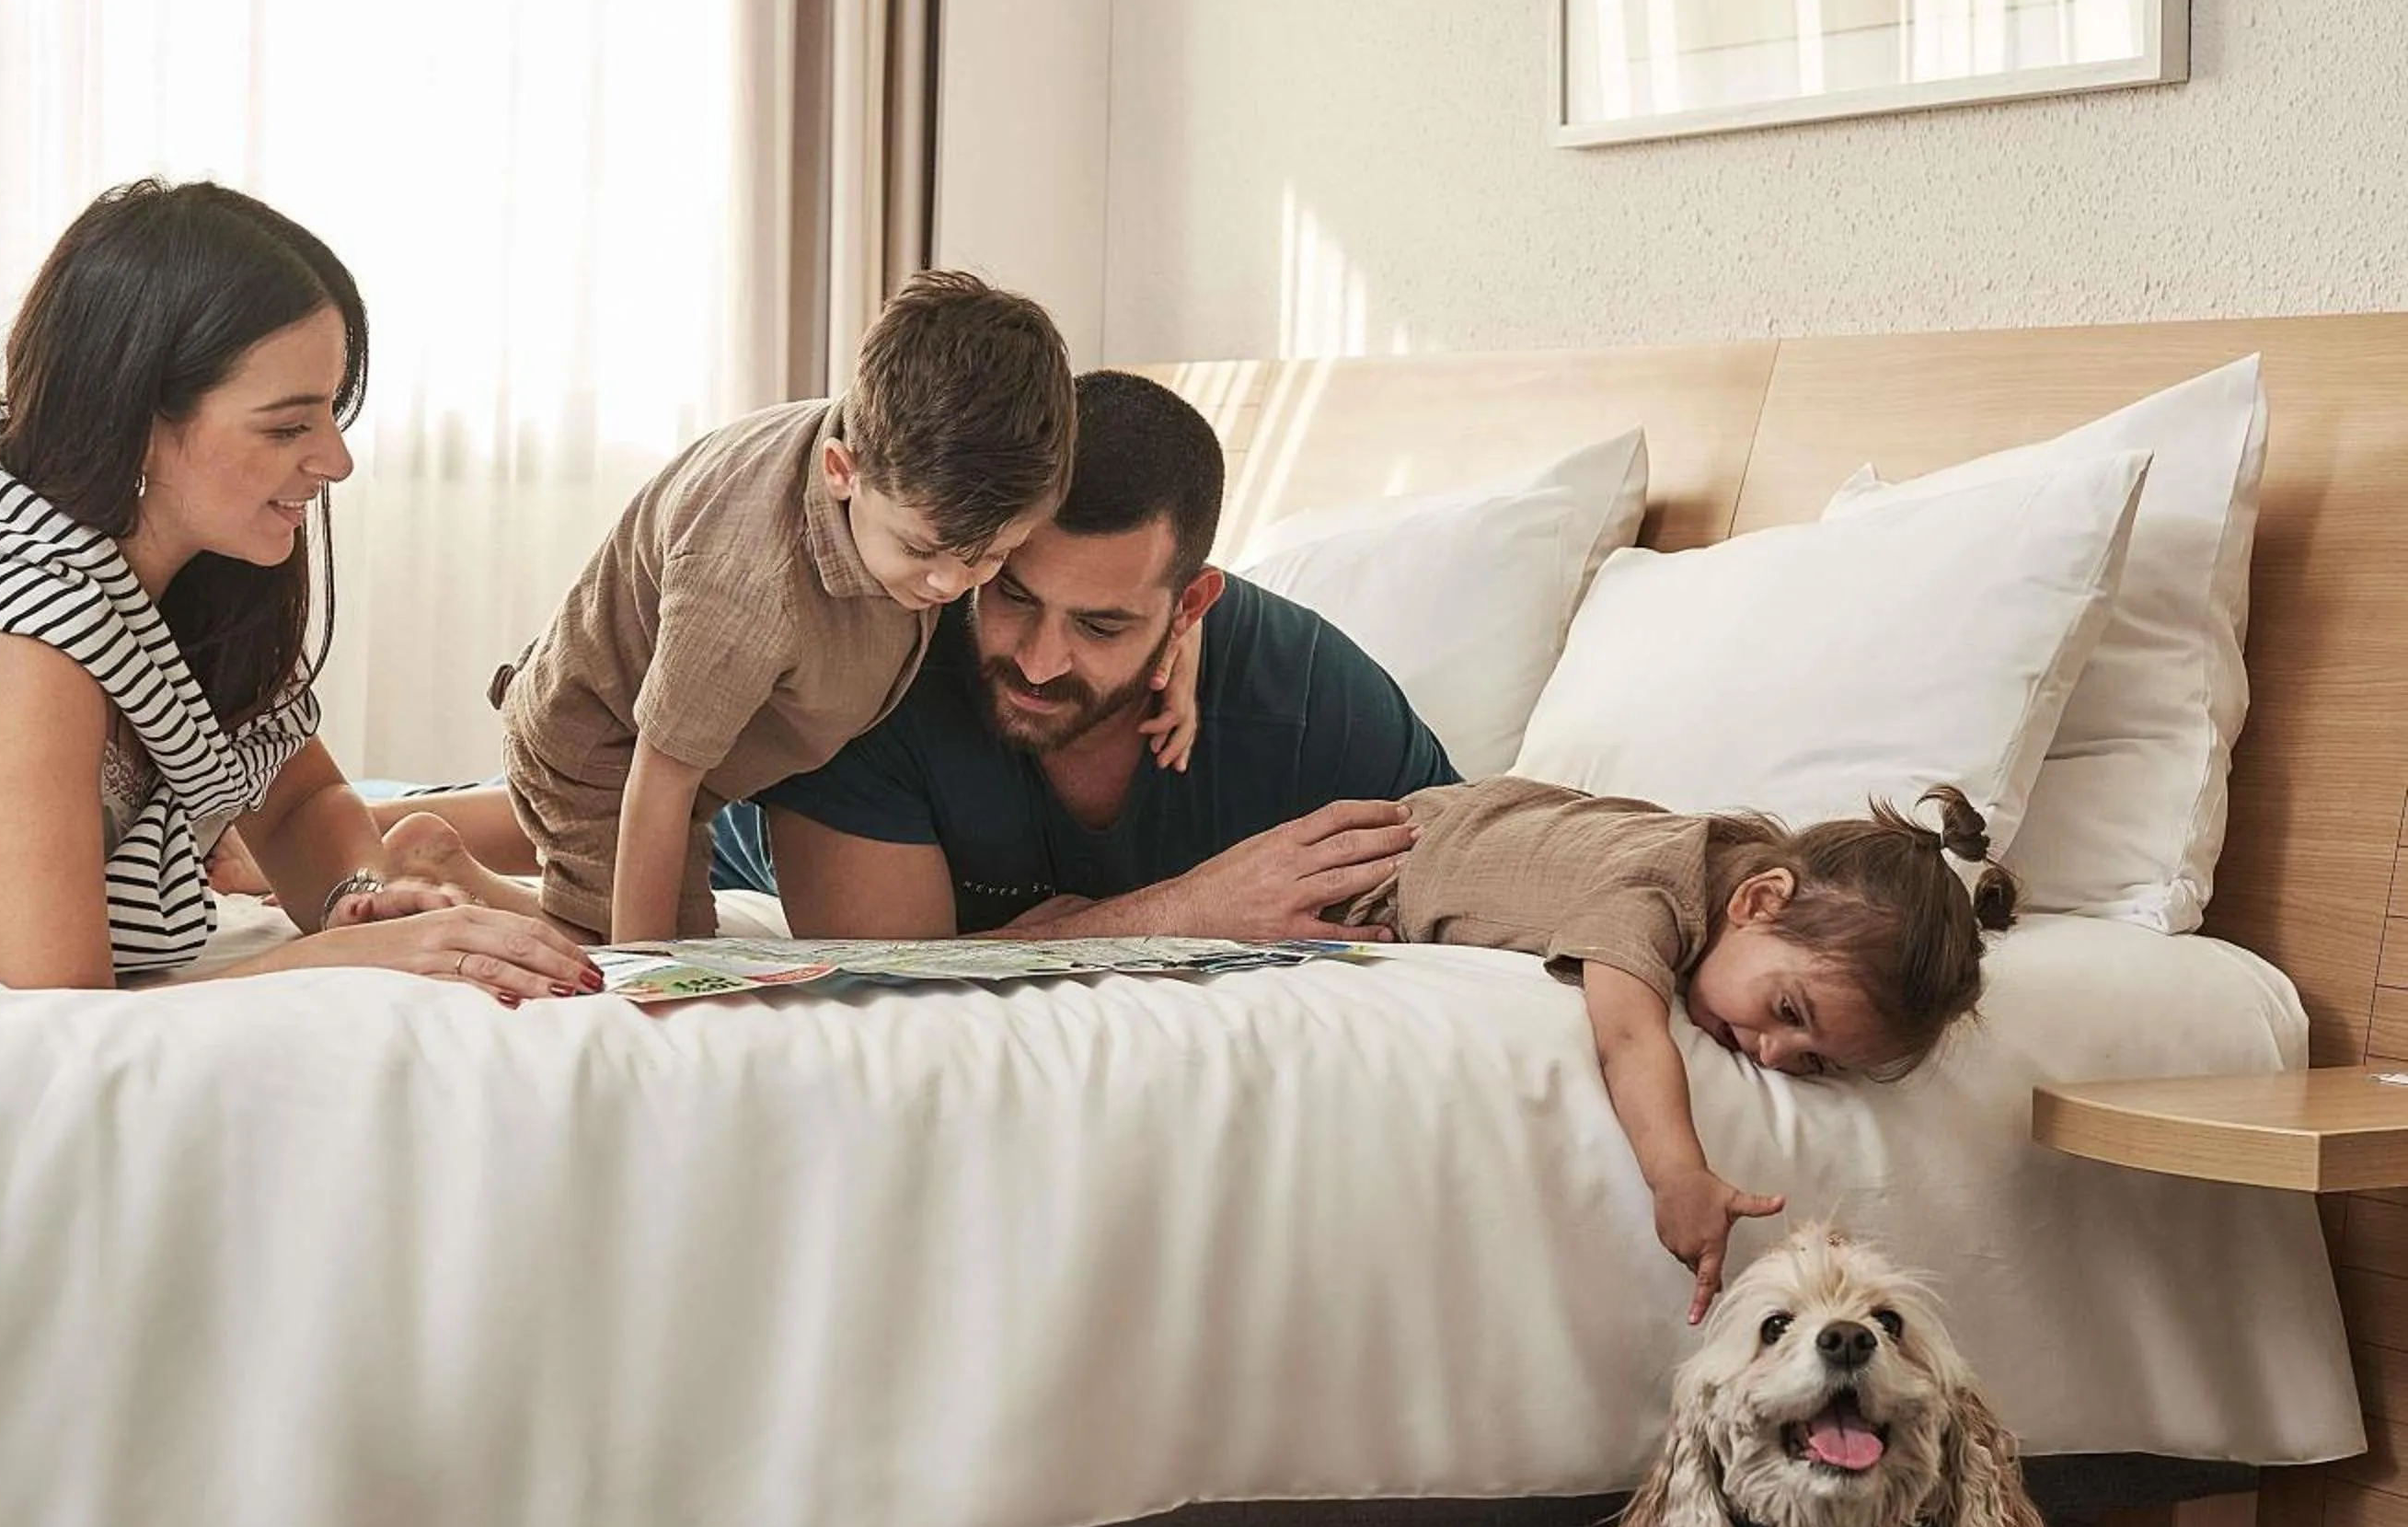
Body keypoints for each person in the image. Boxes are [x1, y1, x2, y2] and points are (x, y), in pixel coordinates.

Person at [0, 179, 596, 1003]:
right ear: (138, 422)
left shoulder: (205, 576)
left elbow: (301, 803)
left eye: (333, 414)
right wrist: (356, 959)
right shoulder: (7, 652)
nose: (337, 460)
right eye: (285, 427)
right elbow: (56, 1010)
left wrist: (358, 893)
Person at [711, 368, 1457, 939]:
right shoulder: (876, 665)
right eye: (1014, 595)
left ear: (1189, 607)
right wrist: (1181, 910)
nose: (1038, 663)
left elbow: (1477, 863)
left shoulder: (1304, 697)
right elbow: (881, 984)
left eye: (1101, 627)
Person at [487, 270, 1099, 944]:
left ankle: (433, 849)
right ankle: (450, 885)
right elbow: (660, 782)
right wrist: (648, 983)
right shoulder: (748, 592)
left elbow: (1121, 565)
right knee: (655, 954)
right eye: (922, 551)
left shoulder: (930, 448)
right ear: (843, 471)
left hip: (712, 754)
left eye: (992, 557)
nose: (950, 585)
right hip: (608, 747)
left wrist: (1179, 651)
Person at [1343, 776, 2019, 1322]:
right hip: (1382, 865)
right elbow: (1629, 1034)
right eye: (1788, 1011)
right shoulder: (1655, 893)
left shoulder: (1732, 863)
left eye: (1815, 1061)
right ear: (1758, 901)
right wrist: (1678, 1175)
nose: (1774, 1054)